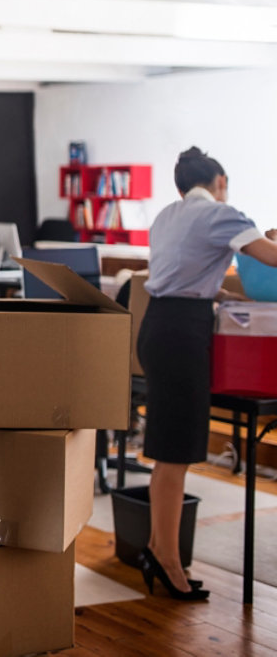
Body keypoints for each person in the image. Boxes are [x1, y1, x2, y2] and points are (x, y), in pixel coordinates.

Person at [137, 147, 277, 601]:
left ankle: (161, 550)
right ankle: (169, 561)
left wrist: (220, 296)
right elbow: (270, 257)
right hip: (183, 335)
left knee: (165, 451)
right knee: (175, 454)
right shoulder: (222, 213)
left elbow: (180, 276)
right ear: (219, 180)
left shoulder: (166, 216)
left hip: (158, 326)